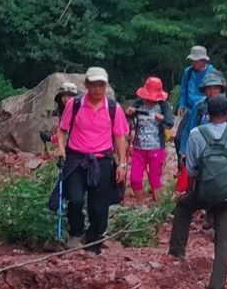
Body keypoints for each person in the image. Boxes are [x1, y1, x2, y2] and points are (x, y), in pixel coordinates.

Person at [168, 97, 227, 289]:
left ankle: (176, 251)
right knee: (223, 242)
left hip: (203, 193)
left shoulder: (195, 133)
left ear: (206, 113)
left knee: (183, 207)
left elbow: (191, 168)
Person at [54, 68, 129, 253]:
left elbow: (120, 137)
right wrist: (61, 148)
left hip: (102, 160)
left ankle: (94, 242)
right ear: (86, 85)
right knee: (76, 200)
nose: (97, 89)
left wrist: (122, 163)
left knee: (99, 205)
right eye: (93, 84)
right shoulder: (75, 104)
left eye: (101, 85)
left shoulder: (114, 108)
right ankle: (76, 232)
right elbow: (62, 129)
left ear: (106, 86)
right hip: (76, 158)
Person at [128, 78, 172, 203]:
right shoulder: (138, 103)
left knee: (155, 179)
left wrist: (162, 118)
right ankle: (140, 205)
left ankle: (159, 208)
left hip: (156, 147)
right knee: (135, 178)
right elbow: (130, 118)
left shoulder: (163, 105)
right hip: (139, 147)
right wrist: (129, 113)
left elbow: (170, 122)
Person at [172, 46, 213, 158]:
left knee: (204, 140)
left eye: (196, 60)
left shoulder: (212, 73)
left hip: (206, 110)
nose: (193, 62)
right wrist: (182, 104)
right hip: (190, 110)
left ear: (203, 60)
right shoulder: (188, 72)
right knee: (179, 138)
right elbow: (183, 90)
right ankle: (182, 167)